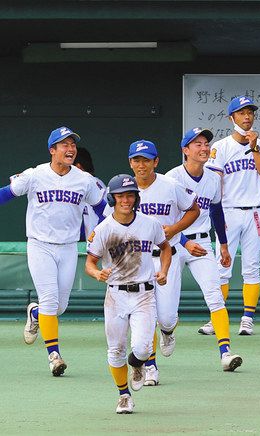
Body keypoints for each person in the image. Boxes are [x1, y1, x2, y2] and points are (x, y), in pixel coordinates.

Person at [0, 126, 105, 376]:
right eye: (64, 145)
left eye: (73, 145)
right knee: (49, 300)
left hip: (68, 247)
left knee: (59, 307)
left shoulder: (83, 179)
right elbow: (7, 193)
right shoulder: (35, 175)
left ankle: (34, 313)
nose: (70, 149)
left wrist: (103, 228)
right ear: (52, 150)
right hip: (39, 245)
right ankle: (54, 356)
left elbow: (102, 207)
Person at [85, 174, 171, 414]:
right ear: (112, 198)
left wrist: (163, 270)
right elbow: (90, 263)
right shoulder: (103, 229)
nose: (126, 200)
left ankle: (137, 365)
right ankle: (124, 395)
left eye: (130, 195)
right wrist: (96, 274)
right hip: (115, 295)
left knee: (143, 348)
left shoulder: (150, 223)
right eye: (121, 196)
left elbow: (165, 248)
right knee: (115, 350)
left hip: (144, 293)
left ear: (136, 197)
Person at [120, 139, 199, 386]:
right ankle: (150, 366)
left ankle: (168, 331)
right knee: (146, 316)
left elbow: (193, 210)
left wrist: (174, 229)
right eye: (136, 160)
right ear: (130, 162)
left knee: (165, 317)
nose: (141, 165)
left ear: (156, 162)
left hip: (168, 256)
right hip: (137, 260)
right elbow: (109, 219)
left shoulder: (170, 185)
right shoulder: (124, 190)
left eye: (146, 160)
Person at [165, 127, 242, 371]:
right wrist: (185, 241)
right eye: (197, 144)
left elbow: (216, 211)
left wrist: (224, 244)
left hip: (204, 243)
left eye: (206, 143)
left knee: (215, 296)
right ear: (185, 150)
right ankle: (167, 331)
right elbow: (167, 220)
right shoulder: (171, 178)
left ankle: (225, 352)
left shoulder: (212, 177)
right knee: (167, 307)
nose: (204, 147)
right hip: (175, 244)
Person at [205, 95, 260, 335]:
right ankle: (218, 316)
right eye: (242, 112)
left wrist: (254, 148)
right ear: (232, 117)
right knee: (222, 266)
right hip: (228, 211)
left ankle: (247, 319)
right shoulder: (221, 146)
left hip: (255, 210)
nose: (247, 116)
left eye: (250, 112)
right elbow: (215, 181)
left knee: (252, 266)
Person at [74, 146, 107, 241]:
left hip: (101, 244)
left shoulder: (92, 184)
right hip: (92, 245)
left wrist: (95, 238)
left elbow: (106, 215)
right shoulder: (80, 186)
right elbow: (86, 219)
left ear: (78, 166)